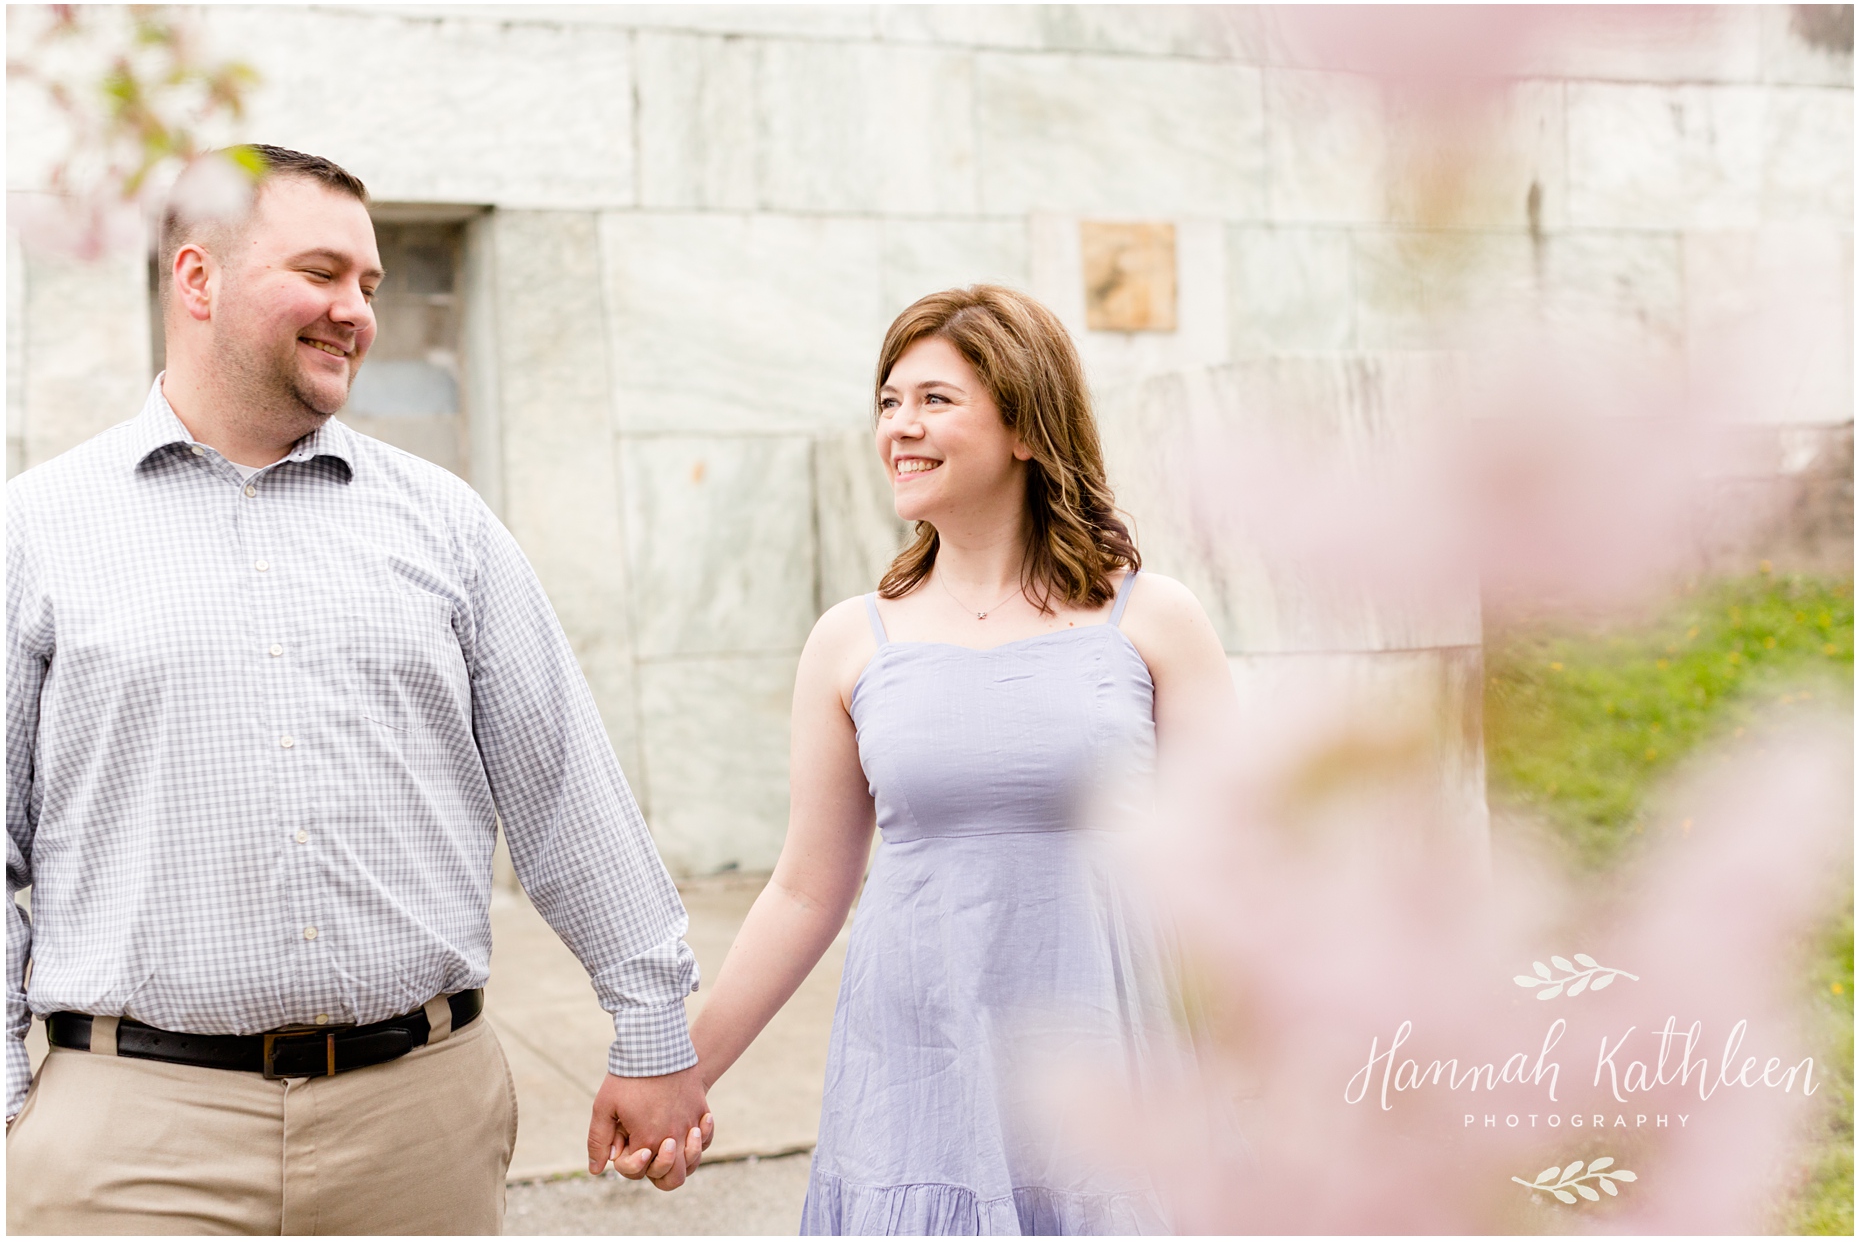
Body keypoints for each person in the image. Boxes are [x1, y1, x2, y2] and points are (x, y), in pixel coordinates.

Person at [5, 145, 708, 1234]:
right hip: (131, 1143)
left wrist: (653, 1027)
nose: (356, 312)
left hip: (417, 1129)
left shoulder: (448, 526)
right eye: (323, 272)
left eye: (370, 286)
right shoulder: (37, 532)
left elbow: (565, 788)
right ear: (197, 278)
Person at [687, 285, 1238, 1234]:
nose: (901, 426)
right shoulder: (850, 642)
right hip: (919, 1081)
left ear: (1026, 424)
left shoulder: (1153, 621)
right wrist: (678, 1072)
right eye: (889, 402)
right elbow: (805, 891)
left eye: (935, 400)